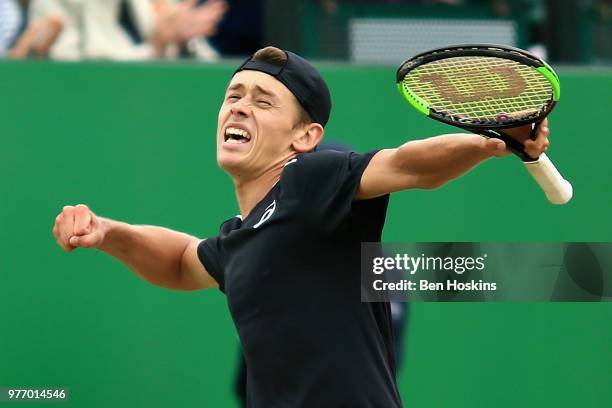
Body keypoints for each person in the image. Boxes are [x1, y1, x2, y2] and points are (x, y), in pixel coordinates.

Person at [52, 46, 550, 406]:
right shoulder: (239, 238)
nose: (240, 105)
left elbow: (409, 165)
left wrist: (489, 142)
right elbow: (183, 262)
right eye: (234, 95)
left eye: (264, 101)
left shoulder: (311, 180)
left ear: (306, 136)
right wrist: (109, 233)